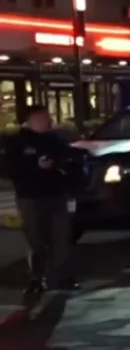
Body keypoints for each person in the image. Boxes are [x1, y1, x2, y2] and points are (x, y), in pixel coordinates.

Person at [3, 106, 79, 294]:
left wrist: (60, 168)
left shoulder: (56, 140)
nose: (48, 121)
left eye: (48, 117)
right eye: (43, 118)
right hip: (31, 198)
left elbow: (71, 161)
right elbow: (8, 168)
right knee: (36, 241)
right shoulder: (17, 142)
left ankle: (63, 277)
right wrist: (35, 167)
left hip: (56, 195)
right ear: (31, 120)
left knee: (61, 238)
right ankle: (36, 279)